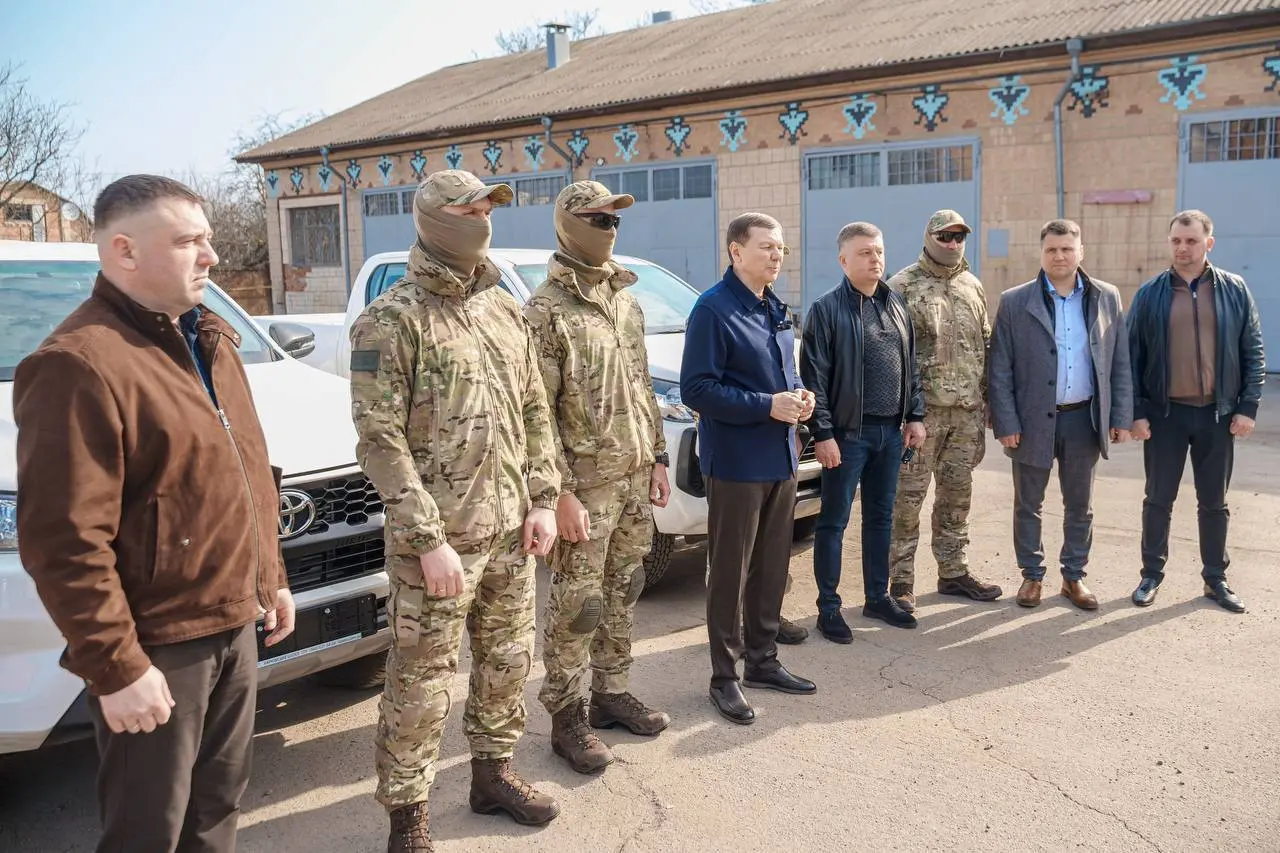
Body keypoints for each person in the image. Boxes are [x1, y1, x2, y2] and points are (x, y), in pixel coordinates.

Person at [14, 174, 295, 853]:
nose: (211, 256)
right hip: (158, 644)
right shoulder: (77, 364)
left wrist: (270, 576)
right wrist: (117, 667)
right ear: (125, 250)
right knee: (150, 830)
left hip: (234, 618)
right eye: (188, 241)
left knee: (217, 810)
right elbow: (64, 541)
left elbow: (245, 472)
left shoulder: (211, 341)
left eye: (207, 239)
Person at [349, 170, 562, 851]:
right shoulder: (391, 318)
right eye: (469, 211)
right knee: (421, 682)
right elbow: (378, 439)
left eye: (488, 210)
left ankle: (492, 776)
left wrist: (543, 498)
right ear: (434, 219)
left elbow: (534, 408)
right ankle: (407, 817)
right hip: (438, 544)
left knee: (506, 661)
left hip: (510, 532)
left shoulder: (505, 310)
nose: (483, 221)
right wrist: (425, 539)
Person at [523, 181, 672, 775]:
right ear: (568, 224)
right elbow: (536, 412)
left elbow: (642, 384)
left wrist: (657, 457)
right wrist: (556, 491)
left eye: (615, 220)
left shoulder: (625, 301)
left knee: (624, 589)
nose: (609, 228)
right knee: (577, 604)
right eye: (598, 219)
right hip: (584, 488)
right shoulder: (546, 310)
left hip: (633, 477)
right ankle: (567, 717)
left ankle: (612, 692)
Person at [681, 212, 818, 726]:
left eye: (780, 247)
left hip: (780, 457)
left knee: (772, 566)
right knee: (730, 573)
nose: (776, 255)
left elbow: (785, 373)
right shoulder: (713, 310)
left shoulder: (774, 306)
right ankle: (725, 677)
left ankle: (763, 661)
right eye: (766, 247)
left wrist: (799, 396)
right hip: (737, 463)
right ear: (736, 251)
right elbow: (697, 389)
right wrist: (767, 405)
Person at [988, 219, 1132, 610]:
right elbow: (999, 368)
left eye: (1067, 248)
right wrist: (1006, 421)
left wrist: (1120, 416)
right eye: (1052, 249)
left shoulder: (1106, 297)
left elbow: (1119, 361)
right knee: (1028, 503)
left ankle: (1074, 576)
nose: (1060, 256)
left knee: (1080, 505)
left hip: (1084, 418)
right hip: (1031, 420)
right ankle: (1032, 576)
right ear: (1042, 253)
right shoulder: (1015, 301)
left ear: (1080, 251)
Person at [1128, 210, 1265, 613]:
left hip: (1217, 416)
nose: (1183, 248)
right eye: (1176, 241)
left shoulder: (1234, 290)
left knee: (1214, 502)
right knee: (1158, 499)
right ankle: (1151, 575)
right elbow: (1132, 358)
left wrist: (1247, 406)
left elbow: (1253, 351)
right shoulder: (1150, 294)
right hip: (1165, 416)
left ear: (1209, 243)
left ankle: (1215, 578)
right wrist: (1137, 411)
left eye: (1191, 240)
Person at [800, 222, 927, 640]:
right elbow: (815, 378)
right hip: (847, 436)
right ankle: (829, 608)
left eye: (879, 251)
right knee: (833, 521)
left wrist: (915, 415)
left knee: (880, 517)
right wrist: (823, 433)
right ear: (843, 260)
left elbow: (912, 365)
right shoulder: (827, 310)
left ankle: (877, 597)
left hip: (890, 433)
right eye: (865, 253)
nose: (875, 259)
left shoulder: (896, 304)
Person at [887, 210, 1002, 611]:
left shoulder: (973, 285)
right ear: (929, 237)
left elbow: (985, 344)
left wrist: (988, 402)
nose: (953, 243)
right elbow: (891, 355)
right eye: (945, 236)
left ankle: (953, 571)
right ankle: (900, 580)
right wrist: (905, 413)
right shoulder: (901, 286)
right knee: (906, 501)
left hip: (966, 415)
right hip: (921, 417)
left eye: (959, 237)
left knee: (957, 497)